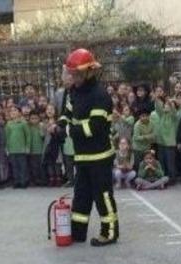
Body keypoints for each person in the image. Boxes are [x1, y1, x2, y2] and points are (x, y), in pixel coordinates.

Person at [60, 48, 119, 247]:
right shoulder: (75, 91)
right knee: (82, 196)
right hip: (82, 156)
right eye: (71, 74)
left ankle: (109, 232)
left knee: (102, 196)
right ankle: (77, 233)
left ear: (89, 71)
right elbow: (68, 112)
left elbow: (93, 127)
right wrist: (60, 124)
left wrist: (67, 130)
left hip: (100, 156)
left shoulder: (100, 95)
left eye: (76, 74)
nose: (73, 78)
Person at [4, 106, 30, 189]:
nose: (13, 112)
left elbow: (28, 136)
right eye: (11, 111)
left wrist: (27, 147)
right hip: (12, 149)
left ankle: (23, 181)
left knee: (23, 166)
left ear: (19, 112)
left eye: (15, 111)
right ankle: (16, 181)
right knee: (14, 166)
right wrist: (7, 148)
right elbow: (7, 137)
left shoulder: (23, 123)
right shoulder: (8, 124)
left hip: (21, 149)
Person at [27, 112, 45, 186]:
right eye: (32, 118)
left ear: (39, 119)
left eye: (36, 118)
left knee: (41, 166)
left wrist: (40, 128)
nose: (34, 120)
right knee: (34, 166)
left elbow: (43, 136)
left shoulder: (41, 126)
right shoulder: (28, 128)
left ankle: (42, 180)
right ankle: (35, 180)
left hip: (40, 150)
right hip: (32, 151)